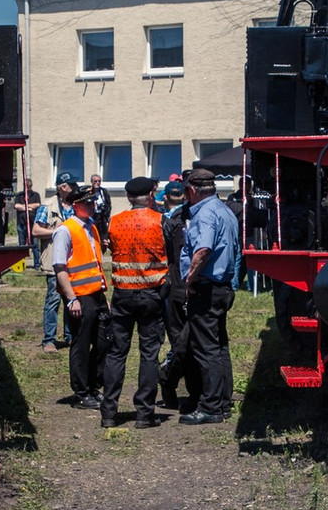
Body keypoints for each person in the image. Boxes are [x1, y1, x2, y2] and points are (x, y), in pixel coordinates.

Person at [100, 176, 168, 428]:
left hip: (122, 294)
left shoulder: (115, 222)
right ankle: (144, 414)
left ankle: (108, 413)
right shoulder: (160, 222)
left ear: (129, 197)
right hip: (151, 294)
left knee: (117, 353)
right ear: (150, 196)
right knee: (149, 354)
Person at [178, 167, 240, 425]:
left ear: (192, 190)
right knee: (219, 347)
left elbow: (203, 249)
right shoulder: (225, 211)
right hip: (223, 287)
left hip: (207, 288)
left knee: (206, 350)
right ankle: (223, 403)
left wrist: (190, 278)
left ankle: (211, 407)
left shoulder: (204, 215)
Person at [51, 174, 108, 409]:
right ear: (76, 205)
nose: (92, 205)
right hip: (80, 297)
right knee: (81, 344)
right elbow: (59, 268)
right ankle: (82, 392)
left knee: (104, 341)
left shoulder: (91, 227)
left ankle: (94, 386)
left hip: (96, 294)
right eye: (88, 203)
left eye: (93, 202)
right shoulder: (66, 230)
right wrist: (71, 298)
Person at [157, 179, 199, 412]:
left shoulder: (181, 218)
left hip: (185, 286)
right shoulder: (172, 221)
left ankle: (188, 390)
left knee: (188, 341)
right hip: (178, 287)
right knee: (182, 342)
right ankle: (170, 380)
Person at [36, 179, 65, 350]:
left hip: (73, 263)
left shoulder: (76, 206)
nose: (75, 188)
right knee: (53, 301)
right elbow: (36, 230)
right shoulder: (47, 206)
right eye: (71, 185)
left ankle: (70, 336)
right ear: (62, 187)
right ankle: (49, 340)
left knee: (73, 301)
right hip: (54, 261)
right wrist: (57, 232)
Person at [13, 177, 44, 269]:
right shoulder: (19, 195)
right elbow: (16, 206)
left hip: (32, 223)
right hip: (21, 223)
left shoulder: (36, 195)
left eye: (29, 186)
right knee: (21, 245)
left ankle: (37, 264)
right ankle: (21, 265)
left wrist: (25, 207)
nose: (27, 188)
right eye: (26, 186)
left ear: (31, 186)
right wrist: (29, 208)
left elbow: (38, 205)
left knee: (35, 245)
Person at [87, 173, 111, 238]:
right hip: (92, 217)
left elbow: (108, 204)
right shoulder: (88, 192)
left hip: (102, 218)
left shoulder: (104, 192)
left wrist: (106, 214)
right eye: (95, 181)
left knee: (103, 236)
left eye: (99, 181)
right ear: (91, 182)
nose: (97, 183)